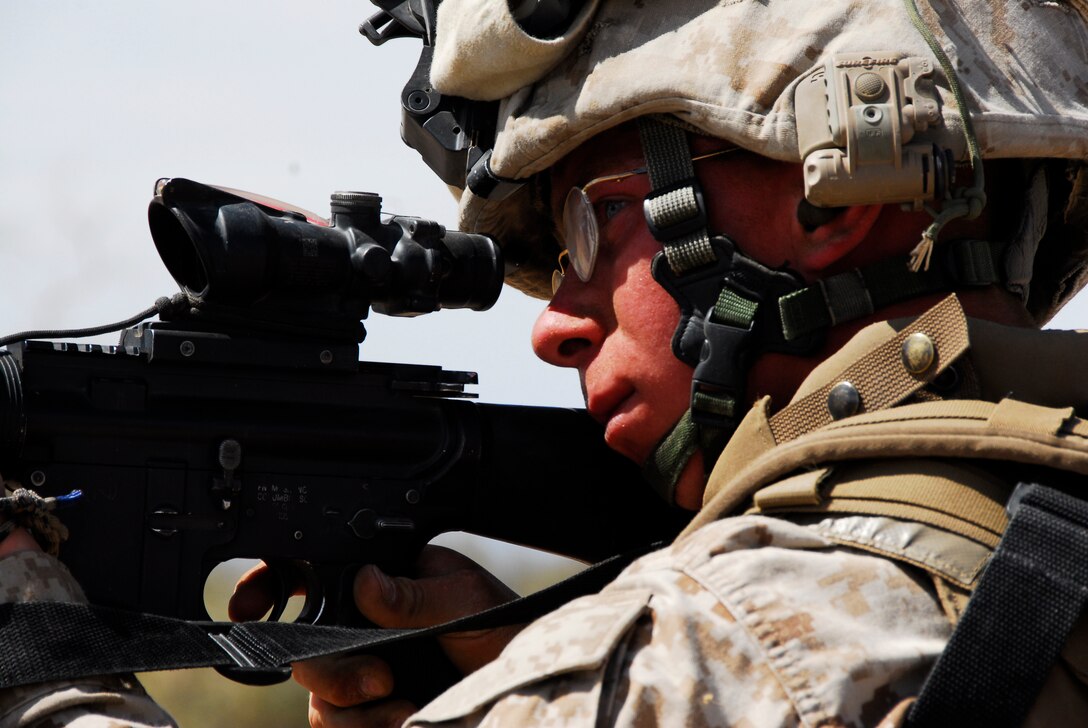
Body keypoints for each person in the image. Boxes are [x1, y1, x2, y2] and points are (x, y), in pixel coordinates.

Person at [4, 0, 1088, 726]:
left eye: (588, 225)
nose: (552, 326)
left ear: (831, 197)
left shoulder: (713, 649)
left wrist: (42, 661)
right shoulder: (1022, 539)